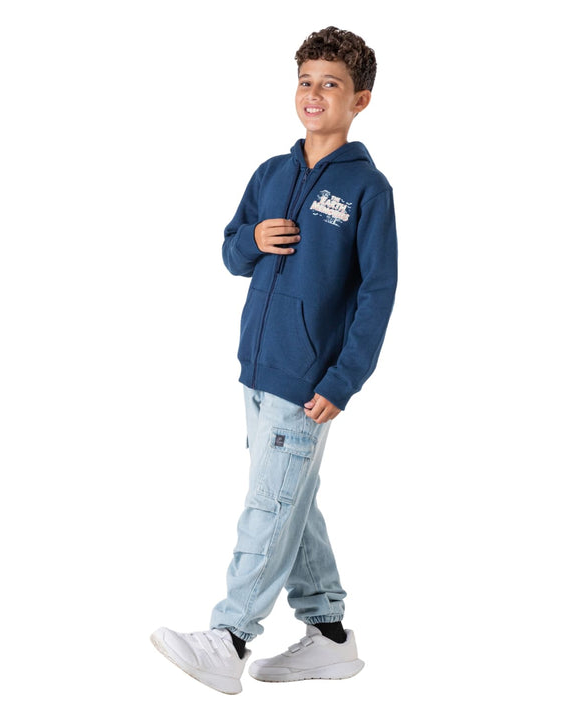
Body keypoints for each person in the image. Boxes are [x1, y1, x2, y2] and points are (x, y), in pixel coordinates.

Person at [151, 26, 398, 695]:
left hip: (308, 380)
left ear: (360, 100)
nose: (314, 94)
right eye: (306, 81)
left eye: (331, 84)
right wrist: (254, 240)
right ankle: (330, 637)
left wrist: (343, 381)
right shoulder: (271, 172)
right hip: (257, 372)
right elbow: (231, 251)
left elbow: (377, 293)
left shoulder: (367, 190)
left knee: (268, 504)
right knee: (292, 499)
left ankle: (229, 638)